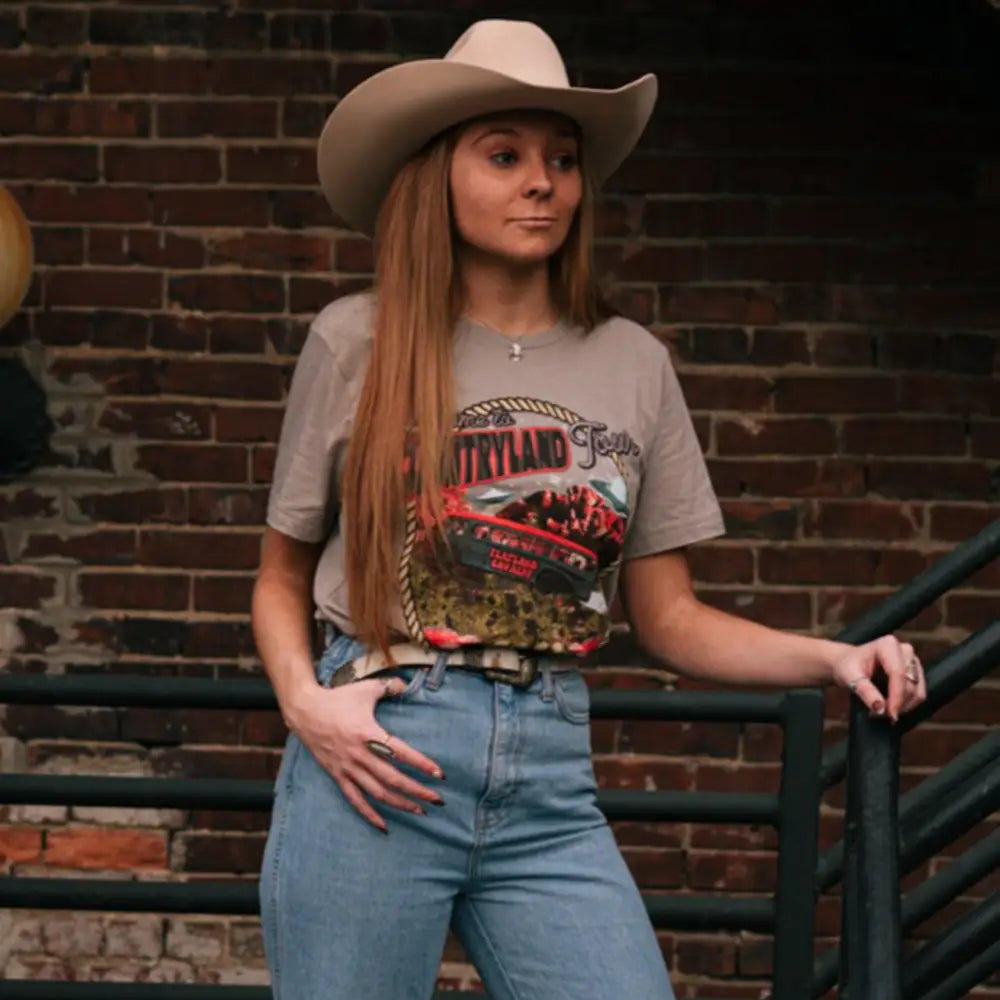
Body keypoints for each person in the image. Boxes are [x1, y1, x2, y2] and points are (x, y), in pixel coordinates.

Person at [251, 19, 926, 1000]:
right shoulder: (357, 339)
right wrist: (307, 706)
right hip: (380, 755)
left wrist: (832, 658)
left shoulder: (633, 363)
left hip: (550, 774)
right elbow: (278, 575)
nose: (543, 182)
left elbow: (670, 617)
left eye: (562, 159)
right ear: (437, 174)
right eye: (505, 155)